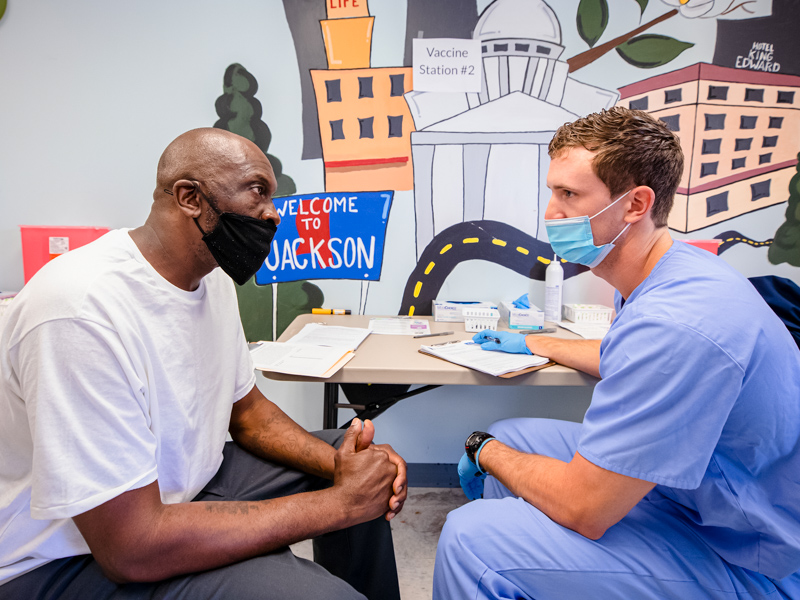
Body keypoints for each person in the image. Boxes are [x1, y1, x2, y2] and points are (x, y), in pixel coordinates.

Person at [0, 128, 407, 600]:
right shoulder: (80, 311)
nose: (273, 213)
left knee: (357, 461)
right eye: (259, 191)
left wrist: (344, 467)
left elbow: (249, 413)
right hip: (69, 557)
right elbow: (131, 548)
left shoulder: (209, 277)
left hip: (183, 488)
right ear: (191, 198)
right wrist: (338, 505)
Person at [434, 107, 800, 599]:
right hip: (698, 495)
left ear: (635, 204)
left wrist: (483, 449)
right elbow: (627, 355)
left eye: (568, 195)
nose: (550, 212)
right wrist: (536, 343)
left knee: (470, 537)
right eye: (552, 191)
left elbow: (585, 508)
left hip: (750, 555)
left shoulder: (678, 323)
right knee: (514, 434)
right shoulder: (672, 270)